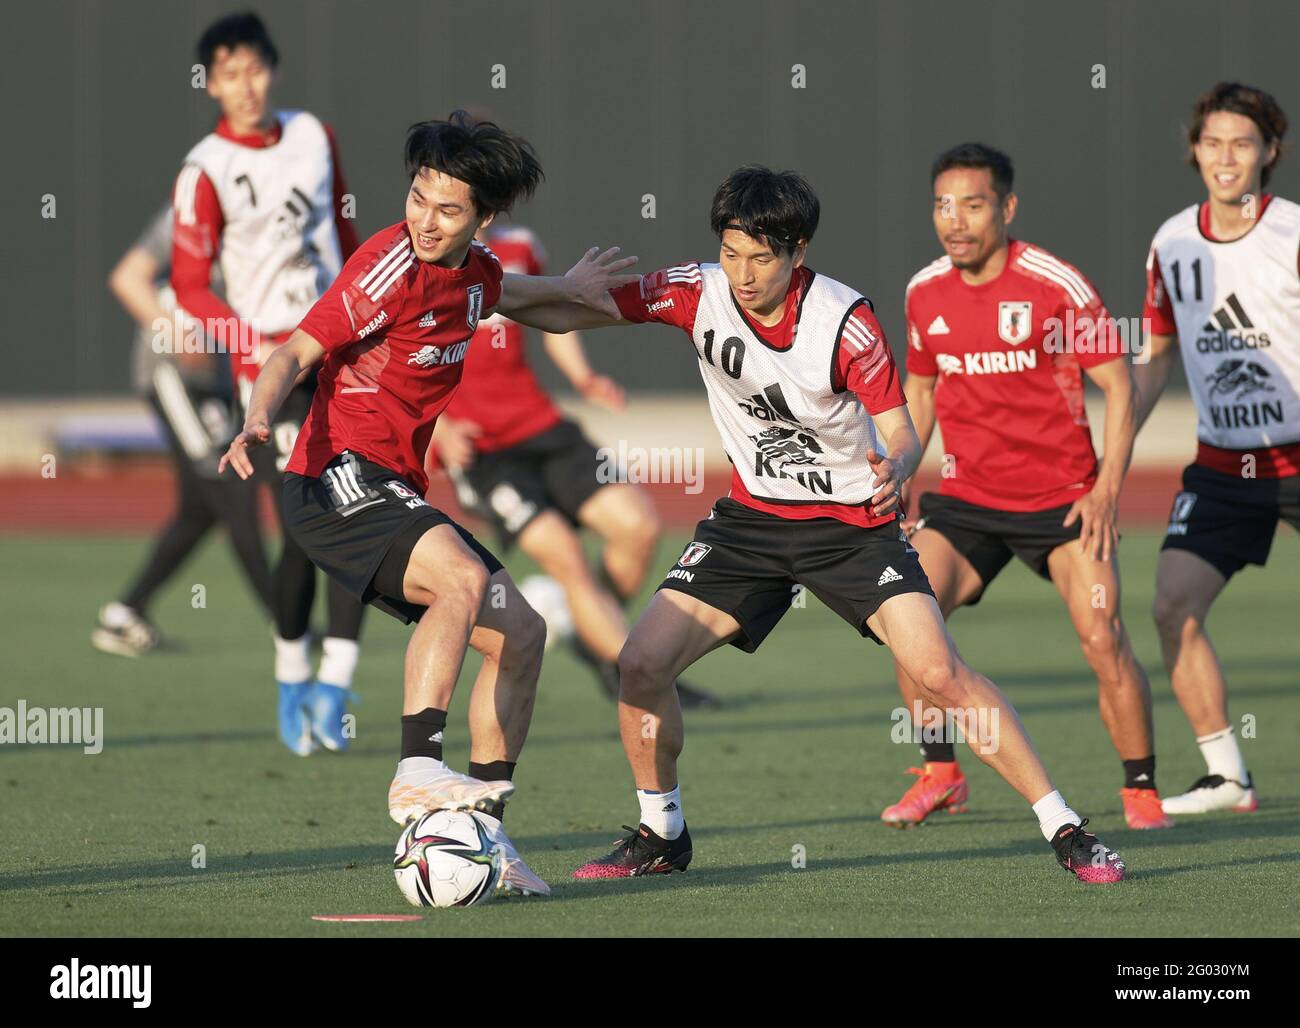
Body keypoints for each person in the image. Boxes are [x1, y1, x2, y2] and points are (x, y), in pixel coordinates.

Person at [497, 164, 1127, 884]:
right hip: (750, 525)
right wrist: (473, 286)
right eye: (732, 252)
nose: (742, 272)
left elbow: (902, 426)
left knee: (938, 671)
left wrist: (897, 460)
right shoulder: (695, 290)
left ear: (797, 251)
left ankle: (1066, 827)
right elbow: (569, 310)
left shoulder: (843, 320)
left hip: (851, 528)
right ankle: (661, 833)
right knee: (639, 665)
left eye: (761, 256)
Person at [219, 111, 640, 895]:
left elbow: (510, 293)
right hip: (333, 478)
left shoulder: (473, 272)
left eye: (448, 210)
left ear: (483, 218)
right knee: (460, 580)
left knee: (522, 631)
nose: (424, 219)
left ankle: (485, 836)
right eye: (418, 197)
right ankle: (417, 768)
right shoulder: (386, 266)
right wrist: (255, 417)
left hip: (390, 490)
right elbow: (295, 351)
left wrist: (574, 291)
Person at [883, 143, 1168, 830]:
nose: (955, 221)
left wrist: (1104, 491)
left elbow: (1119, 387)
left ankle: (1140, 791)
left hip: (1062, 499)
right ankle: (941, 774)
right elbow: (919, 397)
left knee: (1103, 635)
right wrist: (899, 469)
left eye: (973, 205)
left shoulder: (1054, 285)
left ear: (1006, 208)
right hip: (967, 499)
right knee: (905, 611)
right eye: (943, 205)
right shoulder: (924, 291)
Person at [171, 12, 366, 755]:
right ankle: (292, 671)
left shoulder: (315, 134)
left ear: (271, 69)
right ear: (211, 83)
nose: (243, 85)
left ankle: (337, 683)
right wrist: (253, 346)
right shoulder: (205, 169)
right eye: (227, 73)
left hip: (342, 354)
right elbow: (190, 285)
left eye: (253, 68)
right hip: (274, 375)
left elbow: (345, 240)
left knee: (358, 513)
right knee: (306, 526)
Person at [432, 219, 720, 707]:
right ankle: (636, 678)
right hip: (481, 448)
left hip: (540, 424)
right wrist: (440, 428)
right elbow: (396, 354)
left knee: (638, 526)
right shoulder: (421, 257)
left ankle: (588, 630)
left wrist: (584, 377)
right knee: (565, 555)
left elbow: (550, 315)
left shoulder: (520, 246)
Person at [1134, 82, 1297, 815]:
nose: (1225, 157)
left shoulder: (1292, 233)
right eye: (1212, 142)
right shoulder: (1171, 240)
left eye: (1242, 143)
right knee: (1173, 605)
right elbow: (1157, 355)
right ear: (1194, 151)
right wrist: (1110, 456)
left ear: (1269, 152)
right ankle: (1227, 775)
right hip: (1225, 467)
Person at [92, 204, 273, 657]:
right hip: (174, 374)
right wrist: (174, 332)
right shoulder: (190, 213)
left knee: (199, 508)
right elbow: (128, 278)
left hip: (213, 383)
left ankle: (123, 613)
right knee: (231, 482)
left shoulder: (266, 217)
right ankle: (287, 619)